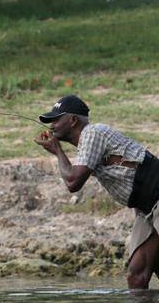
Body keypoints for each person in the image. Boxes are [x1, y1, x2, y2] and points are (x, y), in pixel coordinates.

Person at [34, 95, 159, 289]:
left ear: (73, 120)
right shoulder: (87, 144)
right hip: (146, 208)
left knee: (139, 274)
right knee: (137, 276)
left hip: (156, 198)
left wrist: (57, 150)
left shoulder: (92, 133)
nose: (52, 125)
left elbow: (73, 182)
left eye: (57, 119)